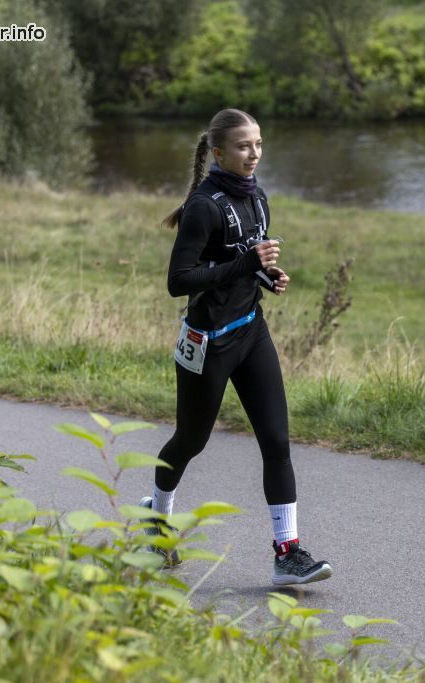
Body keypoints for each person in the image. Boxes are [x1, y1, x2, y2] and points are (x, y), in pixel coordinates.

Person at [139, 108, 333, 586]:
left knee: (277, 441)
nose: (255, 153)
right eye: (244, 146)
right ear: (218, 153)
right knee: (191, 440)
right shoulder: (203, 207)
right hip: (208, 342)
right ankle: (157, 516)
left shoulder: (258, 198)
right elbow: (179, 281)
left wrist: (267, 275)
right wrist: (247, 264)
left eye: (259, 144)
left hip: (251, 331)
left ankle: (287, 553)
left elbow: (244, 261)